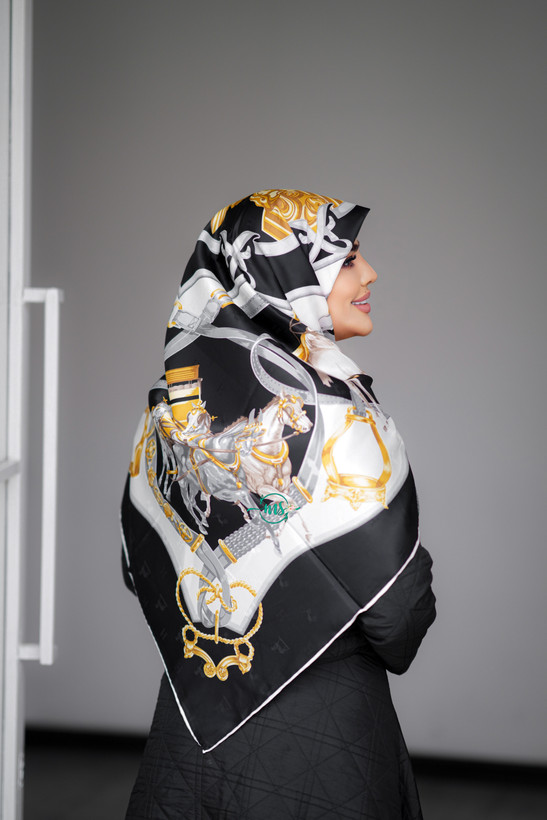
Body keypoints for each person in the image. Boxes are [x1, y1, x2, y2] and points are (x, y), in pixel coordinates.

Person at [121, 189, 436, 819]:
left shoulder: (165, 418)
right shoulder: (344, 421)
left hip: (185, 741)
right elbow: (398, 615)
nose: (370, 273)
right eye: (347, 258)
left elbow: (142, 570)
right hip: (326, 743)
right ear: (285, 277)